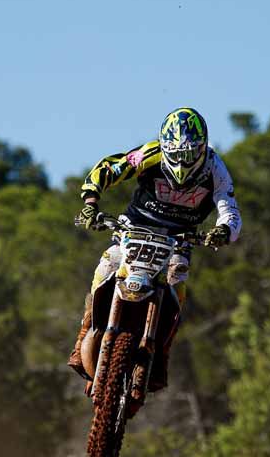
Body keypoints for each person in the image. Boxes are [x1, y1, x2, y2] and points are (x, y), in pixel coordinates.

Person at [69, 107, 241, 391]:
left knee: (176, 280)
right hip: (134, 227)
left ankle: (161, 353)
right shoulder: (150, 154)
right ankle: (84, 335)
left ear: (202, 147)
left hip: (178, 237)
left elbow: (230, 209)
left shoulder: (216, 169)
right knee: (107, 266)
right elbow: (111, 168)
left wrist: (223, 231)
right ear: (165, 147)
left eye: (189, 154)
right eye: (176, 154)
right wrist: (90, 203)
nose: (182, 161)